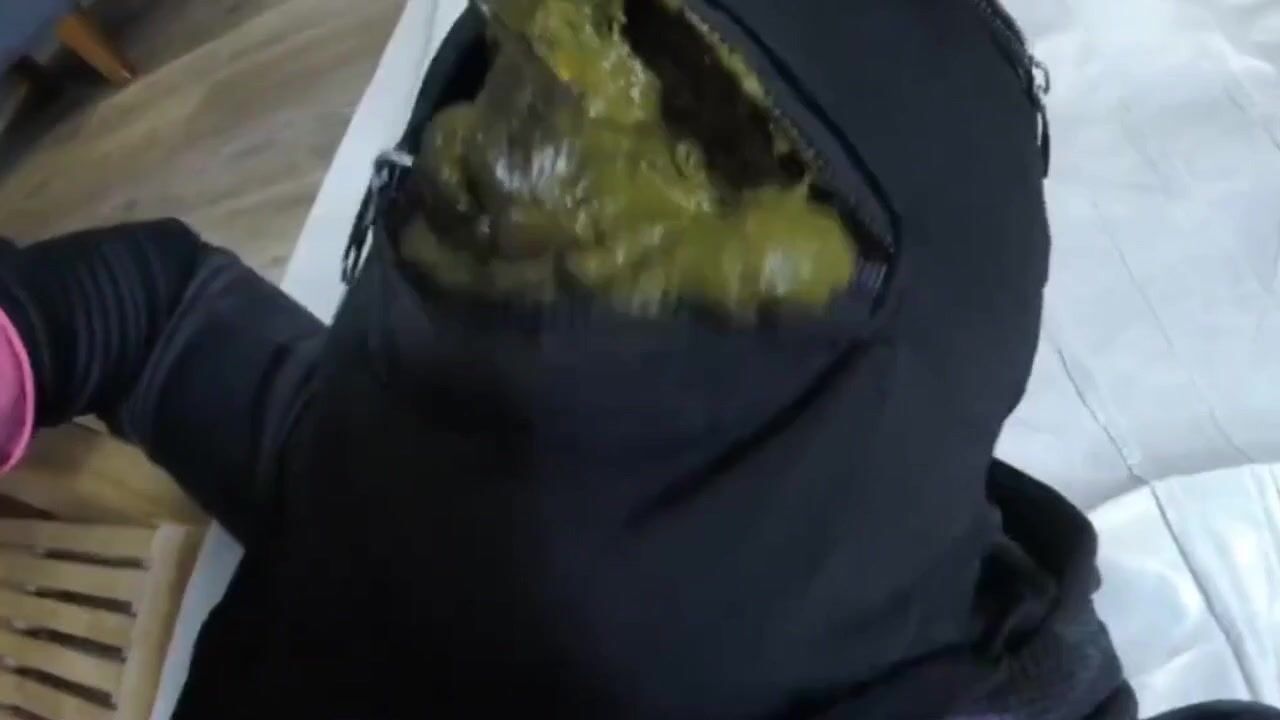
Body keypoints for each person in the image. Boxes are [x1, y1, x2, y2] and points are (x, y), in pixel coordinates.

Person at [0, 1, 1276, 718]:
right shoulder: (407, 482)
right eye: (518, 68)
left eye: (697, 138)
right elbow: (165, 317)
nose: (495, 154)